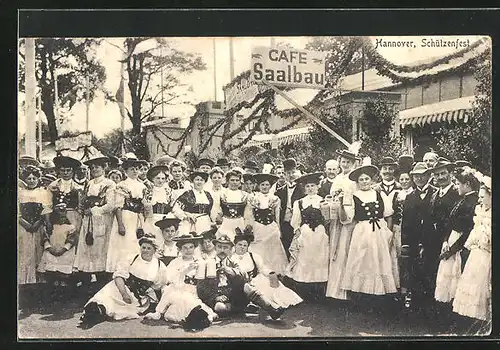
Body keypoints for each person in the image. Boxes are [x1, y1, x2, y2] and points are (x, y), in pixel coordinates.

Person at [79, 233, 167, 328]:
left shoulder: (159, 265)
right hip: (120, 287)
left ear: (154, 250)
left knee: (119, 309)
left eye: (149, 248)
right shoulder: (132, 258)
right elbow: (119, 276)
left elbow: (159, 285)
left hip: (137, 297)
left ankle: (98, 314)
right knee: (104, 298)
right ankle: (93, 311)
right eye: (143, 247)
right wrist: (124, 293)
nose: (145, 250)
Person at [340, 165, 398, 309]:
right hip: (363, 231)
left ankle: (379, 297)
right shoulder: (354, 197)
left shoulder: (379, 194)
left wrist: (388, 233)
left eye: (367, 179)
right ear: (357, 182)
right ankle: (362, 296)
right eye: (361, 180)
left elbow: (388, 215)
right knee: (363, 261)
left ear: (371, 180)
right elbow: (346, 218)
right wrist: (341, 204)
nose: (365, 182)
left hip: (380, 230)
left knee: (380, 261)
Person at [196, 235, 285, 320]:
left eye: (225, 247)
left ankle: (271, 309)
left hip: (232, 295)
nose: (222, 250)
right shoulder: (207, 263)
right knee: (221, 308)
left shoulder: (233, 262)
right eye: (219, 247)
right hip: (215, 297)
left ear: (230, 249)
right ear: (215, 248)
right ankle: (239, 310)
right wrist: (216, 297)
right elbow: (201, 288)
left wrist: (229, 270)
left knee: (244, 284)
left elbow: (244, 278)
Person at [144, 233, 217, 330]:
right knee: (175, 294)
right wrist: (185, 271)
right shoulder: (175, 262)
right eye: (185, 248)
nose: (188, 250)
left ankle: (199, 316)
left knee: (186, 300)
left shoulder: (200, 261)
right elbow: (169, 279)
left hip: (193, 289)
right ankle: (161, 312)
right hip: (176, 289)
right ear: (180, 249)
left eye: (191, 247)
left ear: (194, 248)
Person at [434, 168, 479, 304]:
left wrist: (452, 249)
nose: (456, 186)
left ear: (467, 185)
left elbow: (468, 230)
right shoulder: (462, 199)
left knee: (456, 278)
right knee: (447, 279)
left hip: (459, 245)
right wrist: (445, 241)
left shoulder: (472, 202)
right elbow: (450, 223)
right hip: (451, 240)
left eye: (459, 184)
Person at [452, 176, 491, 327]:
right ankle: (473, 322)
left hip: (487, 255)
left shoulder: (491, 215)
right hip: (477, 253)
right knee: (471, 285)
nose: (479, 200)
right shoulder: (480, 212)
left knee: (483, 286)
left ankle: (485, 323)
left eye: (482, 197)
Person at [232, 228, 302, 311]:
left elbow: (262, 268)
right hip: (240, 284)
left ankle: (276, 305)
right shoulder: (231, 258)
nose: (242, 247)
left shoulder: (253, 256)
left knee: (267, 285)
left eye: (245, 245)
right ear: (235, 245)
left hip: (255, 280)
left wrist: (270, 273)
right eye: (240, 245)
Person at [285, 172, 329, 303]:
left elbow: (327, 220)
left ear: (317, 187)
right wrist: (297, 233)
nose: (310, 188)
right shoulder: (299, 202)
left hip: (320, 234)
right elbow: (295, 221)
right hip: (305, 234)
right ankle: (305, 292)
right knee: (305, 260)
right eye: (308, 186)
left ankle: (318, 292)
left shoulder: (323, 201)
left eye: (313, 186)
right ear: (305, 188)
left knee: (319, 260)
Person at [74, 156, 117, 287]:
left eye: (97, 167)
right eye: (92, 168)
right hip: (88, 221)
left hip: (102, 219)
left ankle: (101, 284)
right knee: (87, 248)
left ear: (104, 168)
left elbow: (111, 205)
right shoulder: (89, 183)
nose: (94, 170)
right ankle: (87, 284)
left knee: (100, 249)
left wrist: (93, 210)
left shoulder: (109, 184)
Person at [399, 162, 438, 309]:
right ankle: (415, 308)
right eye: (416, 176)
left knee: (430, 272)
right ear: (413, 178)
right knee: (414, 272)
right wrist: (405, 244)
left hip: (431, 241)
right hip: (414, 242)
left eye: (423, 176)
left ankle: (430, 307)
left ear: (428, 176)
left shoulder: (435, 193)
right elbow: (406, 223)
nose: (420, 179)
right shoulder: (410, 197)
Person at [325, 150, 359, 302]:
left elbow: (356, 198)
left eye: (348, 162)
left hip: (349, 219)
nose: (345, 165)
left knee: (347, 250)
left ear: (353, 164)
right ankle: (334, 290)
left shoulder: (355, 179)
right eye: (343, 162)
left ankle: (348, 291)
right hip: (336, 219)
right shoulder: (338, 178)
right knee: (336, 251)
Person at [106, 155, 147, 273]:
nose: (135, 171)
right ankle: (120, 271)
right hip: (125, 216)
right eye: (131, 169)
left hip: (137, 217)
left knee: (135, 243)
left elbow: (144, 206)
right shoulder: (122, 185)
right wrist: (120, 224)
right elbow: (118, 206)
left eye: (136, 169)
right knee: (124, 244)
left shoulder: (142, 186)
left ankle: (133, 270)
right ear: (126, 171)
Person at [427, 160, 461, 297]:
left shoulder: (456, 193)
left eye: (443, 173)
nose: (440, 177)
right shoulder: (434, 194)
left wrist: (447, 240)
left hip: (449, 240)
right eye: (437, 175)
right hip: (434, 240)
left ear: (450, 174)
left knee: (450, 276)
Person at [247, 173, 288, 274]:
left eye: (267, 185)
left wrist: (279, 230)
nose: (265, 187)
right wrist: (251, 229)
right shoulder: (253, 198)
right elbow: (250, 216)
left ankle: (275, 273)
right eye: (262, 185)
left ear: (270, 186)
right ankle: (260, 271)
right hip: (258, 227)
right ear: (258, 186)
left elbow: (277, 216)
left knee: (273, 251)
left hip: (271, 228)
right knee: (259, 249)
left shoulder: (275, 199)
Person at [18, 166, 52, 286]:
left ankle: (39, 282)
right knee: (25, 252)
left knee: (38, 252)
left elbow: (46, 210)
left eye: (34, 178)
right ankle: (25, 281)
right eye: (29, 178)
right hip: (23, 227)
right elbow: (17, 212)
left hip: (38, 226)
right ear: (25, 179)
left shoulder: (43, 192)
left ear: (38, 179)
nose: (31, 180)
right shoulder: (20, 192)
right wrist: (25, 224)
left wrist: (39, 223)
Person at [37, 202, 79, 300]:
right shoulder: (49, 227)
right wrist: (50, 248)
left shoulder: (70, 227)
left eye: (64, 215)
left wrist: (63, 249)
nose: (62, 218)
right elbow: (45, 239)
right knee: (51, 272)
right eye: (59, 216)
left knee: (63, 273)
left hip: (64, 252)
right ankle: (52, 291)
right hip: (51, 251)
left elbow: (71, 240)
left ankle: (63, 292)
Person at [275, 158, 305, 258]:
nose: (291, 175)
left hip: (298, 224)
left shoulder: (303, 190)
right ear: (284, 174)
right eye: (288, 173)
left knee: (299, 248)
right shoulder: (279, 191)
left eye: (293, 172)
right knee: (286, 247)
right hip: (285, 223)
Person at [48, 156, 84, 233]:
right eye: (63, 170)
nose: (65, 173)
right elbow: (47, 205)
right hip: (56, 218)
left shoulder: (78, 188)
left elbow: (80, 207)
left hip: (73, 217)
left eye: (68, 170)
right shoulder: (52, 185)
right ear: (59, 171)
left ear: (73, 171)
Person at [173, 171, 214, 236]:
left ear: (204, 182)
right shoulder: (187, 194)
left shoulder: (208, 195)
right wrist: (186, 215)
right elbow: (176, 208)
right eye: (197, 180)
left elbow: (210, 210)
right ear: (193, 181)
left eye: (201, 180)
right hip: (191, 223)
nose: (199, 182)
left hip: (205, 222)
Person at [215, 170, 251, 242]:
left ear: (240, 182)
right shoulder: (221, 194)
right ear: (227, 181)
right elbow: (217, 211)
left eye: (237, 180)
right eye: (232, 180)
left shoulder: (245, 195)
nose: (235, 182)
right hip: (226, 223)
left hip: (240, 223)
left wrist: (247, 225)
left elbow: (247, 214)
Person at [143, 165, 173, 246]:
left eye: (163, 178)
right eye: (158, 178)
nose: (160, 181)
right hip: (151, 220)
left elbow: (172, 206)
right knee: (153, 241)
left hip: (165, 220)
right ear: (152, 179)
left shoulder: (168, 191)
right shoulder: (148, 191)